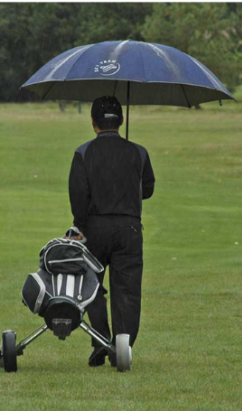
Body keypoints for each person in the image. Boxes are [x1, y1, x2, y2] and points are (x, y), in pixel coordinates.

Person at [68, 95, 155, 367]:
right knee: (127, 290)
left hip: (93, 228)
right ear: (122, 121)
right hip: (129, 228)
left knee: (91, 286)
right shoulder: (138, 152)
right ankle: (123, 347)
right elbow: (148, 189)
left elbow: (78, 196)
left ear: (93, 123)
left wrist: (81, 225)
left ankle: (100, 339)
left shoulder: (82, 153)